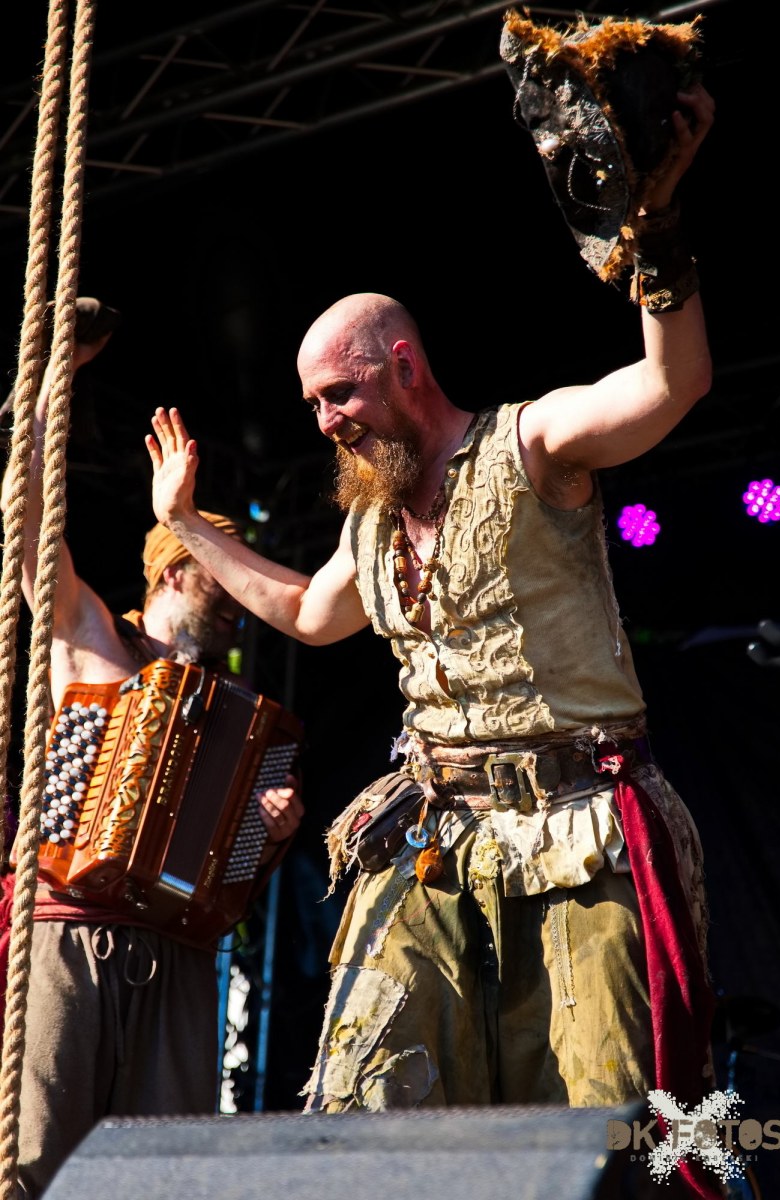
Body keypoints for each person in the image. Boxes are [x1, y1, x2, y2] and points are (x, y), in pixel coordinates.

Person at [146, 81, 716, 1129]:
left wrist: (655, 233)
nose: (325, 422)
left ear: (403, 367)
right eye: (313, 404)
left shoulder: (531, 443)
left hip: (577, 830)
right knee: (367, 1097)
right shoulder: (368, 525)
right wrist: (185, 525)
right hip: (436, 836)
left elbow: (667, 385)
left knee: (601, 1125)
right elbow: (308, 614)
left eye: (340, 395)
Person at [0, 306, 304, 1199]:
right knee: (36, 1163)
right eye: (220, 571)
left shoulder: (242, 719)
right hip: (69, 932)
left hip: (178, 959)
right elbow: (28, 521)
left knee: (166, 1178)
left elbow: (231, 876)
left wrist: (270, 831)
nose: (239, 596)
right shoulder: (92, 634)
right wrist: (47, 384)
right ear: (175, 569)